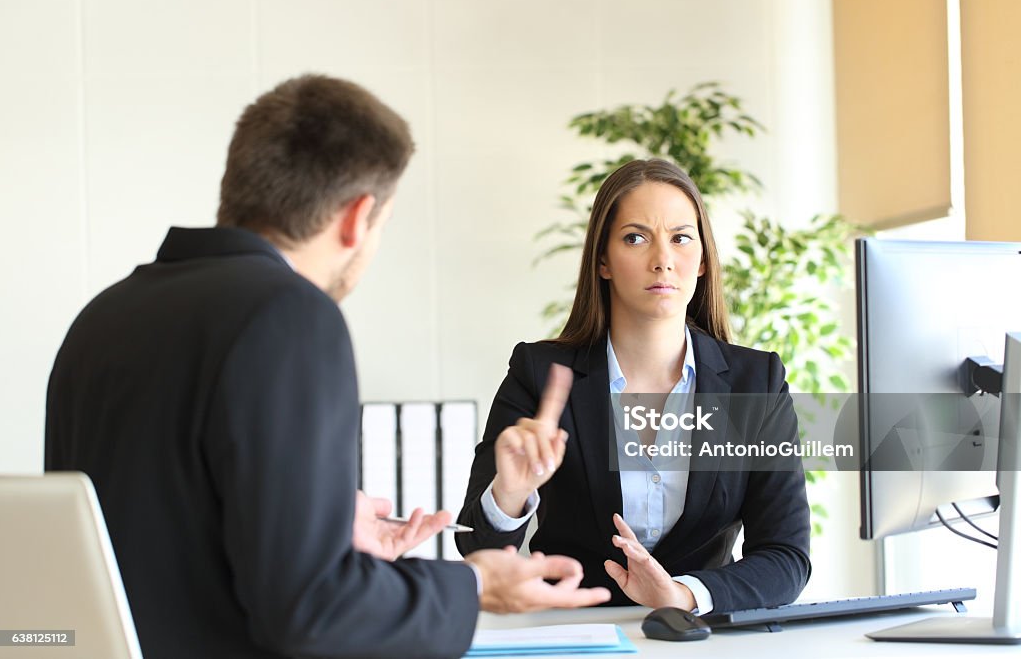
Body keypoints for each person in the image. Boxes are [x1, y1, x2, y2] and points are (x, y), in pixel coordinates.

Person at [45, 74, 609, 659]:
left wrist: (323, 525)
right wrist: (476, 585)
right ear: (358, 217)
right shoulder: (289, 315)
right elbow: (314, 612)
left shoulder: (105, 315)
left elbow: (162, 535)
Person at [456, 158, 811, 614]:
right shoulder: (539, 372)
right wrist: (509, 492)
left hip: (699, 639)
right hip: (573, 636)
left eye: (681, 238)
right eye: (635, 238)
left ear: (702, 261)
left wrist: (684, 595)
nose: (662, 260)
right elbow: (476, 550)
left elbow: (786, 557)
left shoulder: (755, 382)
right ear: (602, 261)